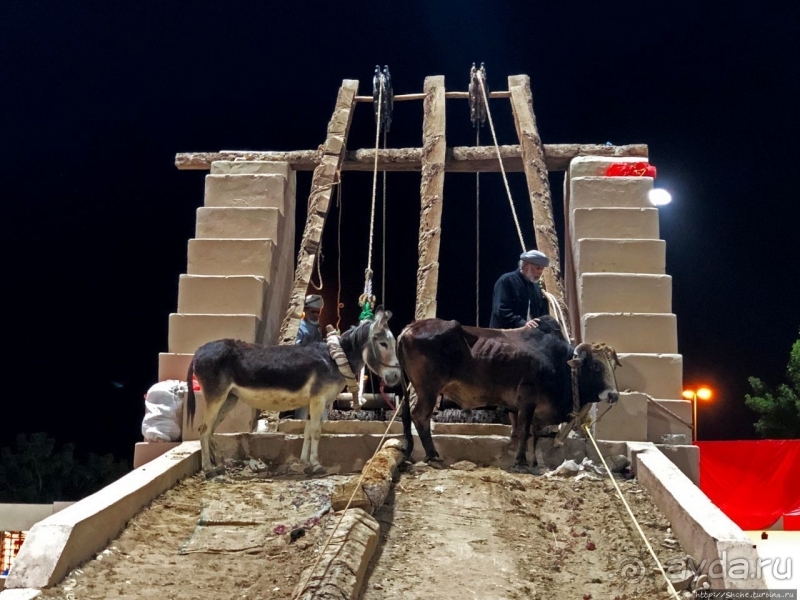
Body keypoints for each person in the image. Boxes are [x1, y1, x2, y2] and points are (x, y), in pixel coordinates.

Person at [489, 249, 550, 329]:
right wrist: (522, 323)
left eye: (542, 269)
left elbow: (541, 312)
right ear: (525, 266)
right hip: (504, 335)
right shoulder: (506, 281)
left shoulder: (536, 288)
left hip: (528, 336)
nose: (540, 272)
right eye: (538, 268)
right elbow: (501, 311)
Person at [292, 294, 325, 420]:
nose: (316, 315)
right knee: (302, 406)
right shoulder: (300, 328)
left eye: (318, 312)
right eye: (313, 312)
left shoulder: (316, 329)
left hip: (316, 374)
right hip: (302, 373)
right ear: (305, 311)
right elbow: (297, 350)